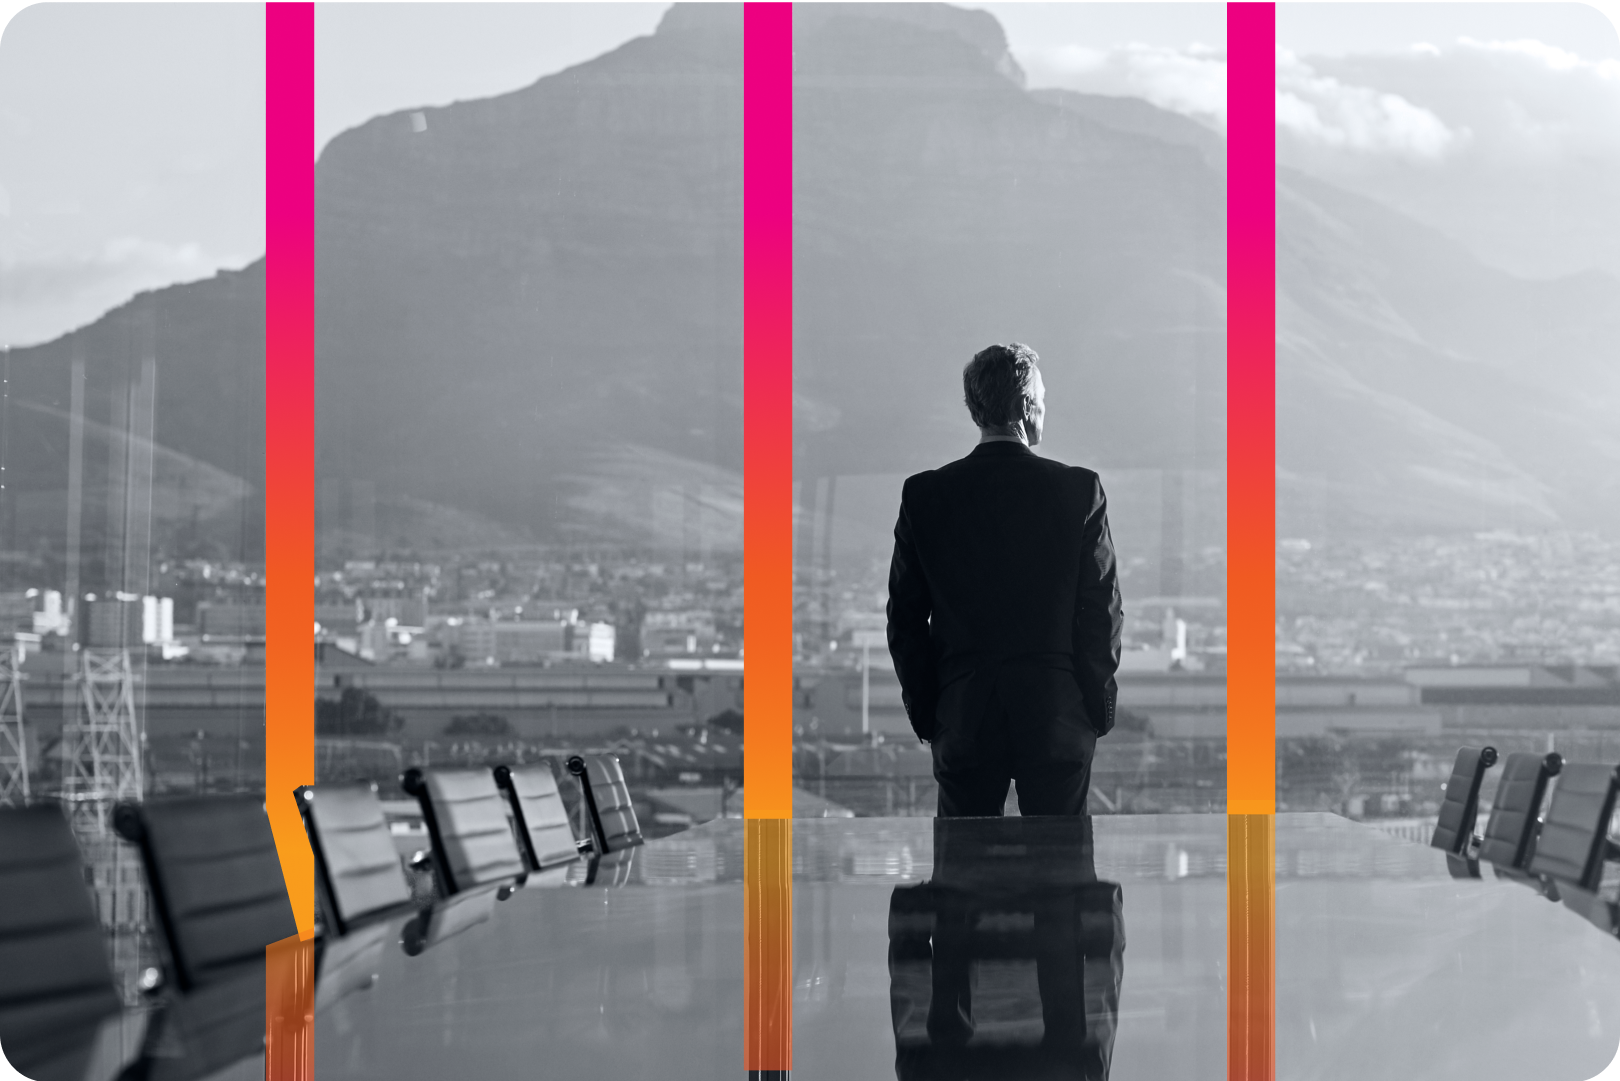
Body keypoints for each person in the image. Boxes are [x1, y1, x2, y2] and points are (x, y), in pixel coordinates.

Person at [885, 342, 1123, 817]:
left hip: (963, 715)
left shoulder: (925, 495)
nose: (1044, 409)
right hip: (1057, 714)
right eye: (1042, 398)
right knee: (1063, 877)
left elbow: (905, 621)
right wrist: (1093, 712)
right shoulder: (1078, 491)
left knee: (962, 879)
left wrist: (935, 714)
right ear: (1024, 406)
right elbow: (1101, 612)